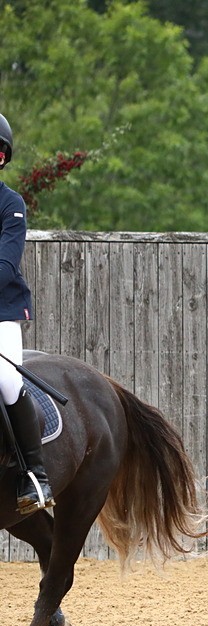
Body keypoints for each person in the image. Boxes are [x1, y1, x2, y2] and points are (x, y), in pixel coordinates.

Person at [0, 112, 54, 512]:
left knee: (4, 380)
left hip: (1, 312)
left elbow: (6, 266)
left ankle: (34, 475)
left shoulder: (10, 205)